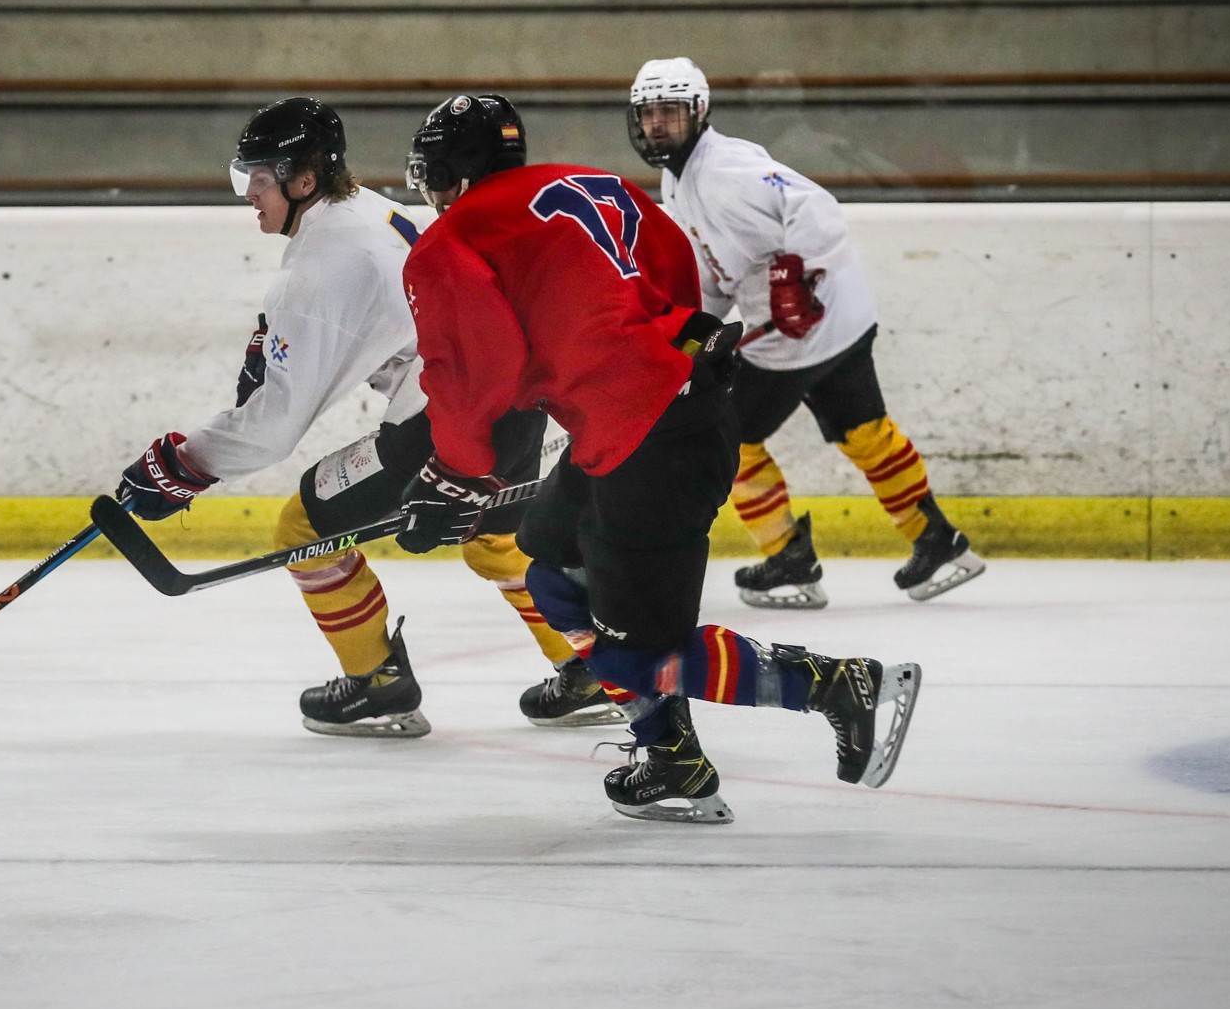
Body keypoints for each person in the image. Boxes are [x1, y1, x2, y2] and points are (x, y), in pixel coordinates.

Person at [394, 93, 921, 823]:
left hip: (646, 440)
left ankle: (836, 683)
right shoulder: (592, 183)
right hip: (671, 408)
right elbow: (673, 269)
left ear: (448, 170)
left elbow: (476, 371)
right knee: (550, 562)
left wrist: (453, 475)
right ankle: (669, 755)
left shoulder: (450, 242)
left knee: (644, 651)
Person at [114, 98, 618, 738]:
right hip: (516, 407)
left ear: (303, 180)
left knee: (302, 528)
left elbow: (276, 425)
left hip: (447, 418)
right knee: (497, 542)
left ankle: (379, 685)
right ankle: (590, 666)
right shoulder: (372, 211)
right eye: (245, 179)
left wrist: (188, 463)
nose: (251, 195)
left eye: (260, 180)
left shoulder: (325, 266)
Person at [627, 57, 987, 609]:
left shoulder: (725, 169)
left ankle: (788, 556)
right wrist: (685, 327)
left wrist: (799, 274)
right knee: (864, 430)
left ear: (699, 113)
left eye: (669, 113)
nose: (657, 125)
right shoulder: (681, 178)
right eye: (648, 113)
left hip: (796, 334)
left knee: (727, 436)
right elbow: (718, 272)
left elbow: (815, 206)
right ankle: (936, 539)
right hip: (840, 319)